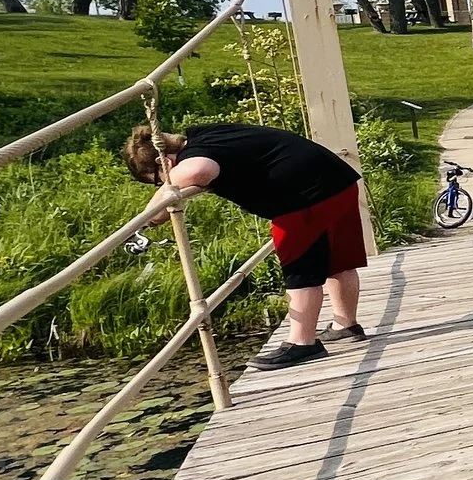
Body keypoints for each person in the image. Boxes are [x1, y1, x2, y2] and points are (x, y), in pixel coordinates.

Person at [125, 119, 366, 371]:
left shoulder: (194, 157)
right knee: (338, 260)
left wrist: (147, 219)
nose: (161, 183)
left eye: (156, 179)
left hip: (301, 198)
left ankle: (303, 343)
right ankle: (345, 324)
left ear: (163, 162)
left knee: (300, 268)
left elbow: (197, 171)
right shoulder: (205, 134)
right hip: (336, 181)